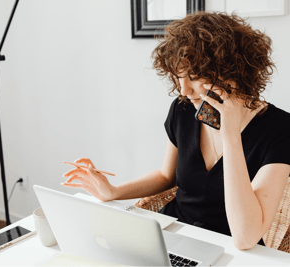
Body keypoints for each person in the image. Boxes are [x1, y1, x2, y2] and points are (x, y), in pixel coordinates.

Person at [61, 12, 290, 250]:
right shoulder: (183, 109)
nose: (184, 90)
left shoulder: (279, 130)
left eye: (193, 77)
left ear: (231, 73)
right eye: (179, 77)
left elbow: (245, 236)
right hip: (169, 237)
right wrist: (113, 192)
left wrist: (230, 135)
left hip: (229, 251)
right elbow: (165, 176)